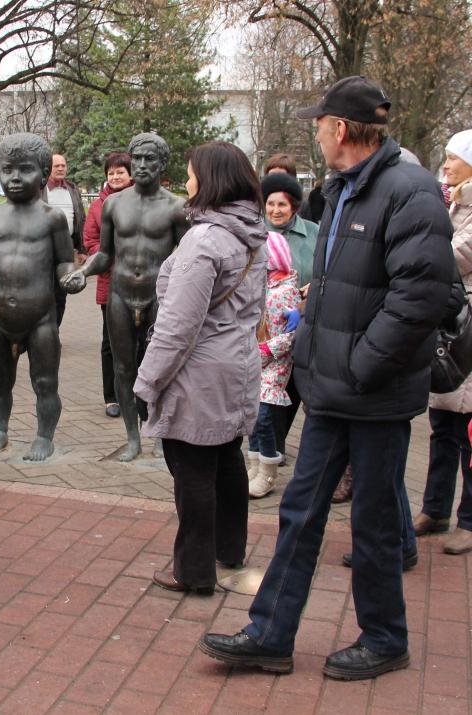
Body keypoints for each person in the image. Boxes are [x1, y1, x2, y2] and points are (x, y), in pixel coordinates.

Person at [201, 76, 454, 681]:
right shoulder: (343, 190)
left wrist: (361, 365)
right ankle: (270, 634)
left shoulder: (409, 191)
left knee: (371, 521)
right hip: (330, 388)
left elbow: (421, 297)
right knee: (300, 511)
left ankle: (386, 638)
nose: (315, 131)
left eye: (320, 122)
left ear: (340, 129)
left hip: (373, 391)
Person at [125, 141, 267, 594]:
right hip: (238, 366)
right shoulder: (253, 232)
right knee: (226, 458)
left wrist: (146, 382)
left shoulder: (204, 239)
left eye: (190, 174)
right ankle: (228, 550)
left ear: (210, 180)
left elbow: (176, 327)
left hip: (198, 373)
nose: (186, 183)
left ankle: (193, 569)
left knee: (192, 471)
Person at [64, 133, 189, 461]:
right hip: (120, 293)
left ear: (162, 163)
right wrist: (83, 272)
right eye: (138, 159)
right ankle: (132, 437)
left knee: (162, 367)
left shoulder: (177, 207)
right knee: (123, 368)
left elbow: (188, 259)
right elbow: (104, 254)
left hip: (158, 296)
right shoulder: (114, 204)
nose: (143, 165)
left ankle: (161, 432)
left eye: (150, 159)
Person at [0, 133, 80, 462]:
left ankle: (44, 437)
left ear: (44, 173)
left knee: (45, 381)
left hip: (40, 317)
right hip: (0, 317)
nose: (15, 178)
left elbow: (63, 261)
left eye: (25, 170)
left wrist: (69, 278)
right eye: (8, 169)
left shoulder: (52, 218)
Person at [417, 129, 472, 555]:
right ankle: (435, 509)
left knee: (469, 431)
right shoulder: (452, 204)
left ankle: (469, 520)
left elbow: (453, 255)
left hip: (466, 329)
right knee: (443, 427)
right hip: (447, 326)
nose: (447, 165)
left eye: (454, 158)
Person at [260, 171, 320, 468]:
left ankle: (285, 446)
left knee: (298, 389)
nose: (275, 211)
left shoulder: (313, 233)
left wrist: (309, 295)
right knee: (267, 393)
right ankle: (271, 447)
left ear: (294, 205)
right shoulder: (255, 231)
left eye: (282, 205)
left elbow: (325, 272)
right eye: (270, 204)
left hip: (303, 323)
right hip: (267, 330)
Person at [246, 231, 301, 498]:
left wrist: (269, 348)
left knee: (265, 417)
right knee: (254, 416)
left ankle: (268, 471)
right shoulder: (261, 284)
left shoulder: (286, 290)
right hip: (256, 359)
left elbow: (290, 334)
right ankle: (255, 466)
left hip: (275, 363)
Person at [82, 152, 133, 419]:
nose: (115, 177)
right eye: (111, 173)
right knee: (110, 342)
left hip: (141, 283)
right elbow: (90, 240)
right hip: (110, 282)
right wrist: (109, 256)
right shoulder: (98, 206)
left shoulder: (142, 201)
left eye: (120, 172)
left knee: (140, 342)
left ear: (131, 174)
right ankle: (111, 396)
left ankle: (136, 394)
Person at [42, 153, 86, 326]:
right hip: (42, 248)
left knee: (61, 293)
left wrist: (81, 249)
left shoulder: (72, 189)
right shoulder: (40, 189)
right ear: (48, 168)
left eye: (63, 165)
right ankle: (42, 331)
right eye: (56, 166)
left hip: (65, 249)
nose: (60, 168)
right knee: (44, 293)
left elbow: (80, 219)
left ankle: (54, 331)